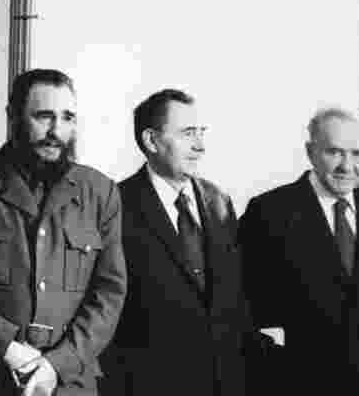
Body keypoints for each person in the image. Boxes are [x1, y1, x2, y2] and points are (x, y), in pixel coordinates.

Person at [0, 69, 126, 396]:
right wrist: (8, 346)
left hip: (68, 383)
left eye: (67, 118)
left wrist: (57, 364)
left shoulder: (100, 193)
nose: (56, 131)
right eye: (44, 116)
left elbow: (109, 294)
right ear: (13, 117)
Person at [102, 88, 249, 396]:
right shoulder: (116, 205)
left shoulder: (219, 201)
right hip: (148, 384)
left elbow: (234, 300)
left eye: (201, 133)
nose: (200, 146)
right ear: (151, 141)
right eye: (187, 134)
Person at [239, 106, 359, 396]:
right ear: (311, 152)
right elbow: (245, 301)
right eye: (334, 152)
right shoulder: (269, 212)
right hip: (292, 380)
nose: (347, 166)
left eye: (358, 154)